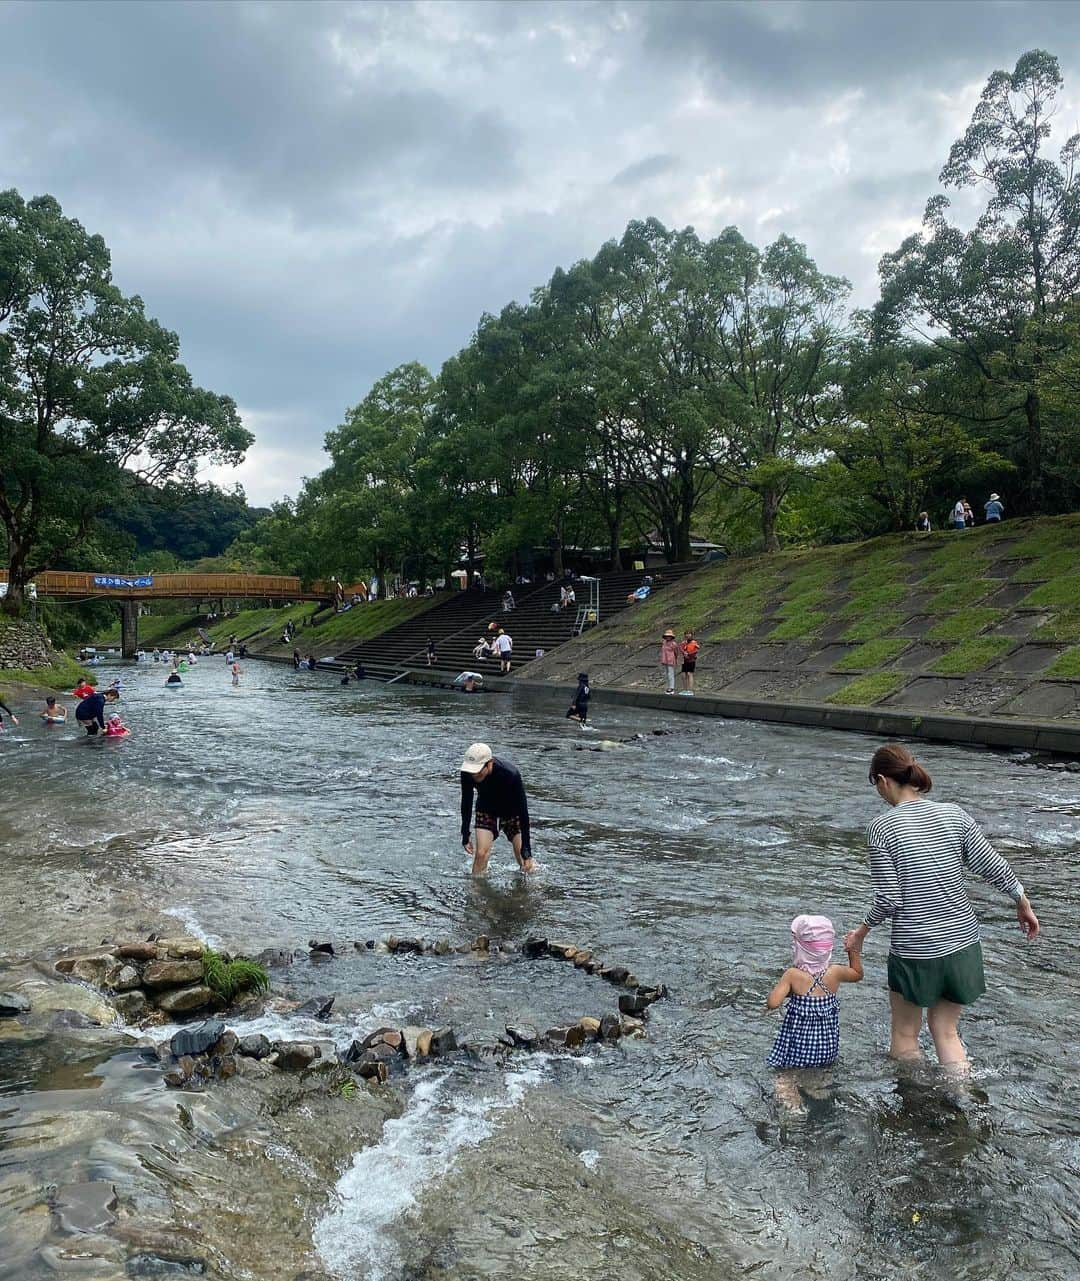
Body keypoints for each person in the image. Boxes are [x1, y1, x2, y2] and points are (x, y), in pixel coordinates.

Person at [844, 743, 1039, 1073]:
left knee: (905, 1034)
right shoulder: (954, 814)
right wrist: (1021, 899)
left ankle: (917, 1109)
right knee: (946, 1031)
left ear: (881, 780)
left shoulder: (881, 829)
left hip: (916, 950)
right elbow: (991, 864)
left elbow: (890, 899)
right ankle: (960, 1100)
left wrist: (861, 932)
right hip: (962, 945)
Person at [765, 916, 864, 1107]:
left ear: (798, 948)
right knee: (817, 1074)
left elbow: (773, 1003)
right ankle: (816, 1089)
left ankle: (793, 1106)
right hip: (826, 1049)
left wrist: (787, 991)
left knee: (784, 1077)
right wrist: (852, 951)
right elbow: (858, 974)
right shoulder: (834, 973)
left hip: (798, 1050)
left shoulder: (793, 975)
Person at [459, 742, 534, 875]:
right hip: (486, 808)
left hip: (513, 812)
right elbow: (466, 801)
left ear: (490, 763)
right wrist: (465, 833)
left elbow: (523, 811)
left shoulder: (511, 774)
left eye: (477, 771)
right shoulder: (467, 773)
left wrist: (526, 848)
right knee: (481, 853)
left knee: (523, 859)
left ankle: (529, 890)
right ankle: (475, 891)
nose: (474, 776)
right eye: (471, 771)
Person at [680, 631, 700, 695]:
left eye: (689, 634)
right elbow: (681, 648)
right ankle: (685, 689)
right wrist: (684, 652)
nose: (688, 635)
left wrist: (689, 654)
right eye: (686, 634)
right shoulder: (684, 643)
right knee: (683, 674)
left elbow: (696, 650)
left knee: (689, 674)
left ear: (691, 635)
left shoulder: (694, 642)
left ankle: (690, 690)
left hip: (691, 660)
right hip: (684, 660)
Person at [659, 629, 679, 694]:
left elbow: (676, 652)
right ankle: (668, 687)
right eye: (667, 636)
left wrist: (675, 658)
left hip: (671, 660)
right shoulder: (664, 642)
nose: (668, 637)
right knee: (666, 674)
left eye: (669, 636)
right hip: (665, 660)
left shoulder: (673, 643)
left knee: (671, 674)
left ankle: (672, 688)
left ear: (672, 637)